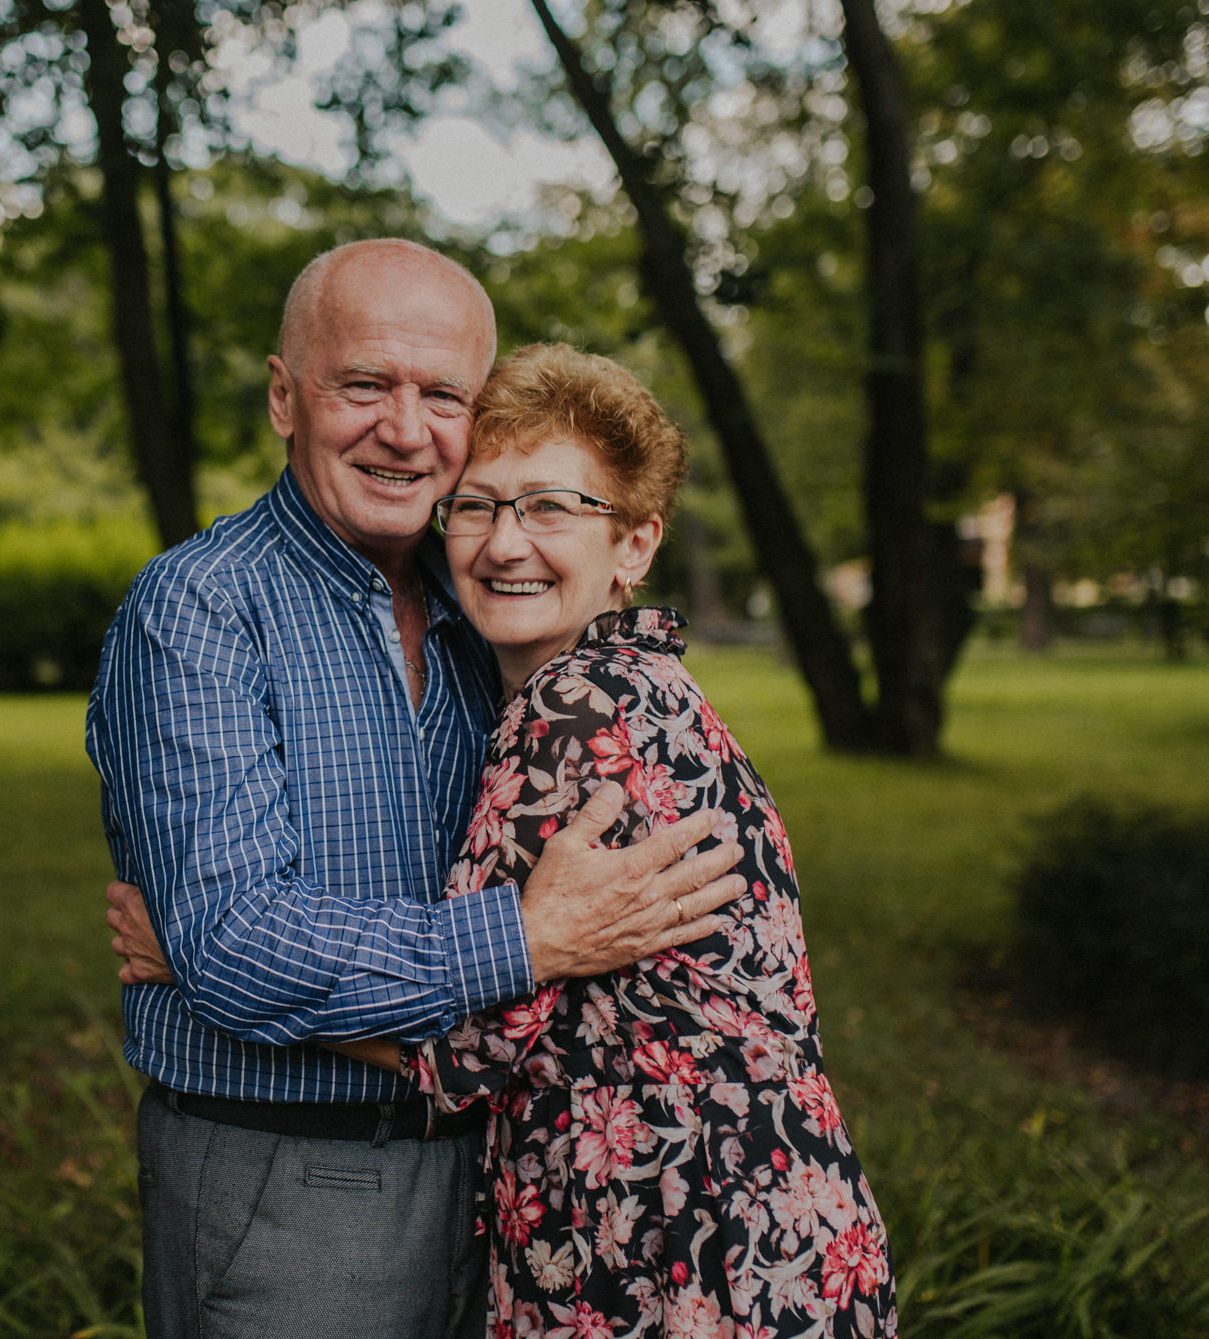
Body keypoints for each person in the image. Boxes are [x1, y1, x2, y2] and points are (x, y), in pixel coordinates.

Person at [86, 240, 748, 1339]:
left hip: (514, 1180)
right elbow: (239, 946)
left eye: (442, 394)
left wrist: (536, 944)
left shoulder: (496, 606)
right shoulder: (199, 608)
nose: (403, 429)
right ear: (281, 396)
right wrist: (525, 939)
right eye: (363, 384)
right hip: (290, 1179)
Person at [333, 342, 895, 1335]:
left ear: (632, 544)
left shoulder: (575, 708)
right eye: (476, 504)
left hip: (675, 1251)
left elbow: (450, 1040)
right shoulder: (650, 688)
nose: (504, 543)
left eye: (550, 507)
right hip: (778, 1227)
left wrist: (199, 967)